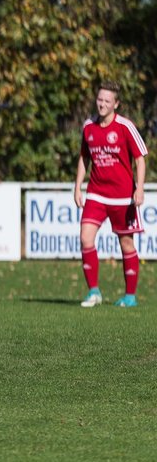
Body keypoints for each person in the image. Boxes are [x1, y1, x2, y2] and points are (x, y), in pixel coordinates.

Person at [75, 83, 147, 307]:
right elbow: (83, 158)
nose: (102, 104)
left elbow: (140, 159)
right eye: (100, 99)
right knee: (86, 238)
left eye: (107, 101)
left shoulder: (125, 126)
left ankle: (130, 297)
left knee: (126, 244)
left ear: (116, 104)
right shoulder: (88, 127)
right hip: (96, 193)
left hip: (122, 196)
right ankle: (94, 292)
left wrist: (140, 187)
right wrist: (78, 186)